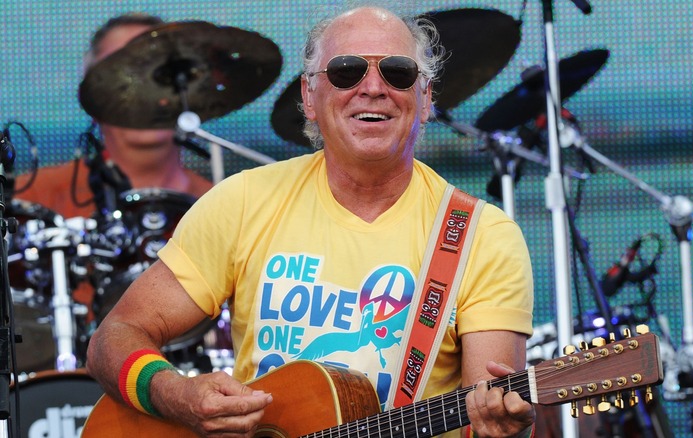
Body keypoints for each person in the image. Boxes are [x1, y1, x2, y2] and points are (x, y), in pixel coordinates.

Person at [86, 5, 535, 438]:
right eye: (346, 71)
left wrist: (504, 430)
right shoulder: (243, 200)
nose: (373, 87)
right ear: (309, 96)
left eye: (397, 72)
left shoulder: (483, 236)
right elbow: (115, 337)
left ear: (425, 98)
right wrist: (177, 394)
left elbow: (491, 415)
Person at [11, 12, 213, 370]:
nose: (141, 83)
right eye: (121, 67)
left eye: (157, 69)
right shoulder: (31, 199)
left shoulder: (229, 202)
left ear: (187, 91)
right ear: (91, 91)